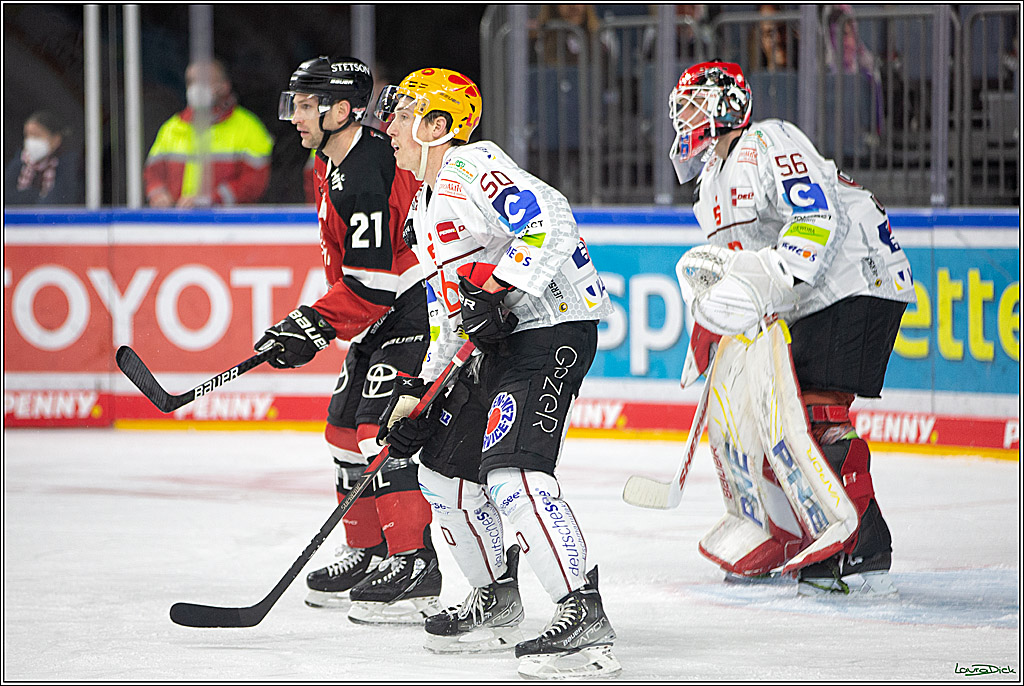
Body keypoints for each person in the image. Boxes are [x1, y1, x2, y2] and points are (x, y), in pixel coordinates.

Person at [373, 68, 621, 679]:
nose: (392, 127)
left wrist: (498, 287)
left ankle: (583, 613)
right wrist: (417, 395)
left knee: (512, 473)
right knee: (440, 468)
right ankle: (497, 598)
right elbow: (449, 313)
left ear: (439, 125)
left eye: (404, 115)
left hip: (552, 329)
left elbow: (552, 220)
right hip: (501, 343)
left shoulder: (470, 163)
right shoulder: (425, 208)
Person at [667, 61, 915, 595]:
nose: (684, 117)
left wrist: (772, 281)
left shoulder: (769, 140)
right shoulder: (709, 183)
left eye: (695, 104)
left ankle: (861, 543)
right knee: (766, 414)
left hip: (855, 277)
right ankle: (789, 531)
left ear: (728, 105)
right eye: (681, 108)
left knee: (814, 413)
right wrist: (709, 323)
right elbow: (727, 266)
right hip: (809, 299)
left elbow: (816, 216)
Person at [263, 56, 439, 624]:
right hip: (376, 311)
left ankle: (415, 564)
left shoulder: (367, 168)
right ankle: (370, 549)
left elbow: (376, 282)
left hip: (414, 308)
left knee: (377, 433)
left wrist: (312, 323)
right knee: (341, 430)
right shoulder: (329, 160)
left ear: (343, 111)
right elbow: (358, 283)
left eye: (307, 105)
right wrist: (320, 320)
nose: (295, 115)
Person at [145, 58, 273, 207]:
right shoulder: (172, 127)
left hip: (228, 224)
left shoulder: (249, 127)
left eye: (204, 82)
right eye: (191, 82)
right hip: (178, 223)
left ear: (224, 86)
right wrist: (158, 193)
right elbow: (153, 172)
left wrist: (212, 199)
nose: (195, 88)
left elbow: (254, 183)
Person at [4, 110, 82, 206]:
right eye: (27, 135)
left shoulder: (69, 164)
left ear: (56, 139)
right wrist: (37, 196)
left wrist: (25, 198)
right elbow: (6, 196)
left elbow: (61, 199)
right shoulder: (20, 160)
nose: (30, 141)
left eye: (36, 135)